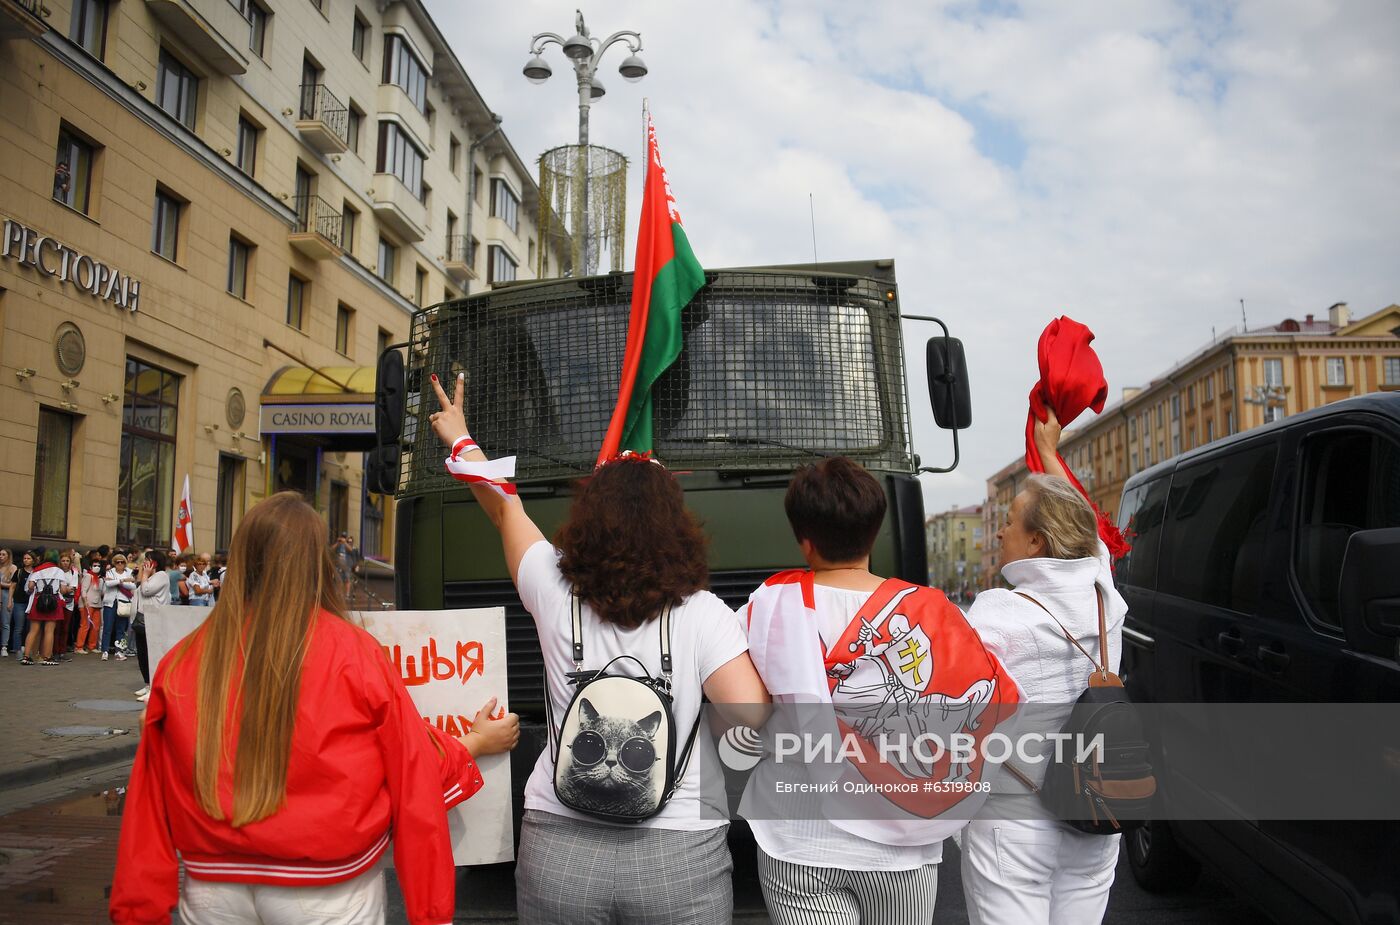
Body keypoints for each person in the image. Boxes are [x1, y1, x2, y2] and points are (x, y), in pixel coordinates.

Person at [425, 370, 769, 925]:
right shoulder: (705, 613)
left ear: (588, 519)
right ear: (675, 525)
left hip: (559, 847)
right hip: (680, 853)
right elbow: (748, 722)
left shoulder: (549, 584)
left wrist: (462, 440)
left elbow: (504, 509)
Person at [110, 492, 469, 925]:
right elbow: (414, 777)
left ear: (241, 558)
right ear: (317, 562)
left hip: (212, 886)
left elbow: (148, 794)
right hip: (329, 889)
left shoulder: (183, 660)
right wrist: (432, 914)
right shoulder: (355, 654)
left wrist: (139, 909)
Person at [738, 457, 1015, 925]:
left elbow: (743, 709)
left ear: (804, 540)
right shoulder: (930, 610)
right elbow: (987, 695)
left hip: (799, 839)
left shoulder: (768, 606)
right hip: (904, 849)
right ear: (875, 529)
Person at [960, 408, 1128, 925]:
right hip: (1097, 812)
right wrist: (1050, 453)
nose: (999, 534)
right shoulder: (1105, 598)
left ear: (1035, 542)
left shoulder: (996, 613)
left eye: (1009, 523)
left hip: (1015, 820)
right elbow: (1089, 533)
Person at [132, 550, 171, 701]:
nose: (145, 563)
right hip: (142, 617)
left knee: (151, 654)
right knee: (142, 653)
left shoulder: (161, 576)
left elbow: (146, 590)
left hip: (154, 618)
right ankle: (147, 684)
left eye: (148, 560)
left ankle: (155, 687)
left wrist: (145, 575)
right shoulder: (149, 576)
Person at [23, 551, 67, 666]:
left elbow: (30, 586)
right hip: (53, 601)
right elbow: (63, 590)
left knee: (33, 630)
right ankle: (47, 657)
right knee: (49, 631)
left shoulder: (37, 570)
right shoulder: (59, 571)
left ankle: (27, 656)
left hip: (38, 600)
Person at [101, 552, 136, 661]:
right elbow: (108, 584)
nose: (119, 564)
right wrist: (123, 581)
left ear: (125, 563)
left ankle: (119, 651)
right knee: (107, 627)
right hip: (110, 602)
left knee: (121, 629)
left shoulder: (129, 572)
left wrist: (116, 581)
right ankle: (105, 651)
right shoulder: (110, 572)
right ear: (114, 563)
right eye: (117, 562)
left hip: (123, 602)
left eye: (122, 562)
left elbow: (133, 585)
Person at [77, 551, 105, 653]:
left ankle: (92, 646)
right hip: (87, 603)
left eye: (98, 565)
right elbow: (83, 590)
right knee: (85, 625)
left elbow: (102, 592)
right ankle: (79, 646)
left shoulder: (100, 579)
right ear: (90, 566)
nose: (97, 567)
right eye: (94, 565)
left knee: (95, 626)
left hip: (97, 604)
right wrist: (85, 602)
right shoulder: (88, 576)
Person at [10, 551, 33, 660]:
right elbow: (12, 586)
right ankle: (17, 649)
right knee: (19, 627)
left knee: (30, 627)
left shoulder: (36, 572)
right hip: (19, 601)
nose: (26, 560)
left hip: (32, 603)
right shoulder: (19, 572)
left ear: (33, 560)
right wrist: (10, 600)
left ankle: (27, 649)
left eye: (28, 558)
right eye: (24, 558)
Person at [0, 548, 15, 657]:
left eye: (3, 554)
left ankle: (4, 646)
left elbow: (14, 585)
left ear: (8, 556)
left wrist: (1, 584)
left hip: (6, 595)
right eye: (0, 554)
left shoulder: (12, 567)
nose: (1, 556)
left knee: (5, 622)